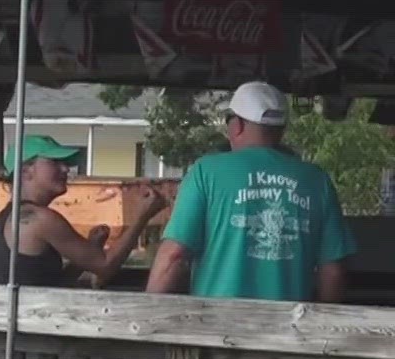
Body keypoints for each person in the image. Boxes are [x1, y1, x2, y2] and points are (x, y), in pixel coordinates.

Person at [146, 81, 354, 302]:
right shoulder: (316, 180)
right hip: (289, 331)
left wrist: (144, 315)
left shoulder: (206, 172)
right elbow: (333, 269)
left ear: (237, 126)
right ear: (281, 130)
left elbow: (174, 255)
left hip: (215, 330)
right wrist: (324, 326)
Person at [0, 134, 167, 288]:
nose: (65, 169)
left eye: (65, 163)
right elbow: (105, 265)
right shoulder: (41, 219)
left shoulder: (3, 218)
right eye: (55, 162)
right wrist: (143, 216)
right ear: (25, 171)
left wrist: (91, 246)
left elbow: (54, 284)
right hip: (21, 330)